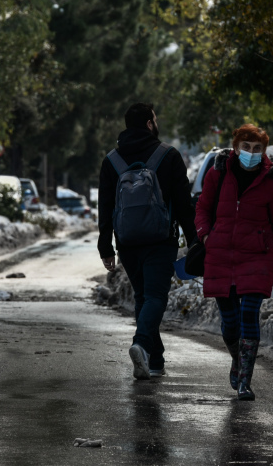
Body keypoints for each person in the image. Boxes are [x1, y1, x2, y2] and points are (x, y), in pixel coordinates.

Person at [98, 102, 200, 380]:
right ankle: (141, 344)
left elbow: (105, 206)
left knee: (144, 296)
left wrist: (105, 246)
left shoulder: (111, 161)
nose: (156, 123)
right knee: (155, 296)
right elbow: (182, 204)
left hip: (128, 242)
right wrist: (194, 240)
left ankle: (155, 359)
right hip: (159, 239)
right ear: (148, 124)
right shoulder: (168, 155)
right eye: (154, 119)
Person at [194, 124, 273, 400]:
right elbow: (203, 207)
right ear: (236, 147)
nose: (251, 153)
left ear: (264, 151)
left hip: (256, 257)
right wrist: (205, 236)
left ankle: (245, 381)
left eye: (257, 149)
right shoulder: (219, 172)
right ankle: (238, 361)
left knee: (249, 313)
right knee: (229, 323)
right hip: (221, 255)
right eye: (246, 148)